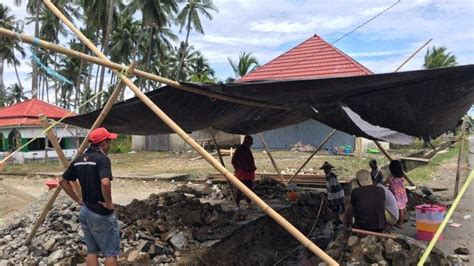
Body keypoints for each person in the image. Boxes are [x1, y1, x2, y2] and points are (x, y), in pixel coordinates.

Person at [60, 127, 120, 266]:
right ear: (103, 143)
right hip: (100, 212)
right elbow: (105, 182)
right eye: (109, 142)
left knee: (92, 251)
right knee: (110, 253)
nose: (110, 145)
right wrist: (109, 203)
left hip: (86, 212)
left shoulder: (79, 159)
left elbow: (63, 181)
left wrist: (78, 200)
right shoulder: (102, 159)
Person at [231, 135, 257, 209]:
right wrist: (238, 169)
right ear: (247, 142)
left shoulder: (248, 150)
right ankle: (237, 204)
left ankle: (249, 204)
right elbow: (233, 161)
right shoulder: (239, 150)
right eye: (250, 143)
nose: (251, 144)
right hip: (242, 173)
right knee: (240, 189)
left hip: (249, 172)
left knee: (249, 189)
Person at [387, 160, 408, 228]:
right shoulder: (401, 176)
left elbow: (384, 183)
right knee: (403, 207)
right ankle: (403, 219)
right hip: (402, 194)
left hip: (396, 195)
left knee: (400, 209)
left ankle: (400, 224)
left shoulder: (391, 177)